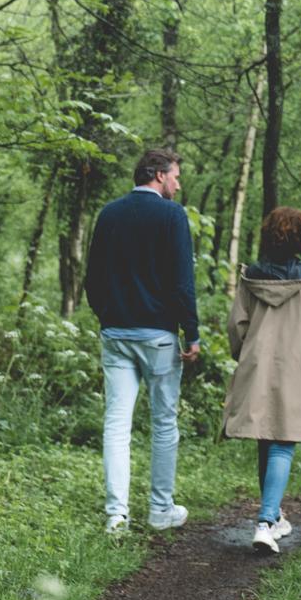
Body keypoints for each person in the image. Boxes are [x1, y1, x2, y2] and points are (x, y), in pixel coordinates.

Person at [84, 148, 201, 534]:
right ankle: (160, 510)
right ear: (157, 174)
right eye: (175, 175)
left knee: (116, 424)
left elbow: (92, 278)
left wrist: (108, 316)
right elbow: (183, 281)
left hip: (116, 333)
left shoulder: (109, 214)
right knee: (164, 422)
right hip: (158, 336)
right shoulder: (172, 215)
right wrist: (192, 332)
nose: (178, 183)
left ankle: (116, 516)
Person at [221, 206, 301, 554]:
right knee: (284, 441)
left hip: (257, 368)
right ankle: (266, 520)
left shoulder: (249, 277)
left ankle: (273, 517)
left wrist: (246, 355)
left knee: (265, 438)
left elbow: (236, 328)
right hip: (297, 369)